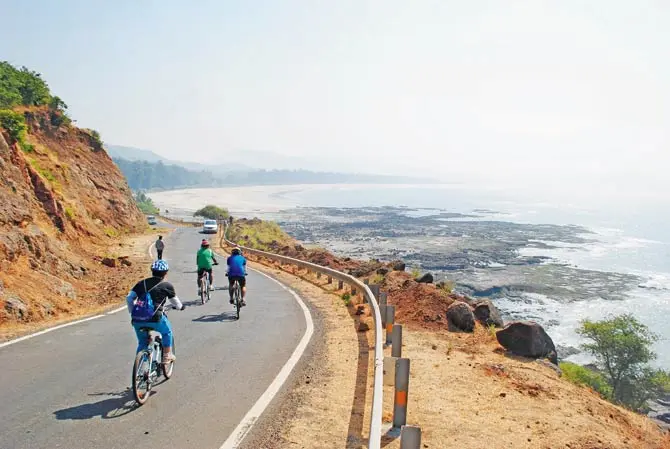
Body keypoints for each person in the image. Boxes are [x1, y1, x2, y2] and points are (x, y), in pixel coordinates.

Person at [126, 259, 184, 363]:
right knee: (167, 332)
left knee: (142, 342)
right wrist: (180, 307)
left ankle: (141, 364)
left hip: (137, 319)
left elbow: (129, 298)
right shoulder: (167, 286)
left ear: (152, 271)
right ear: (166, 273)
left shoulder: (141, 283)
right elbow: (176, 303)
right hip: (156, 318)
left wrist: (133, 312)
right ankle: (167, 355)